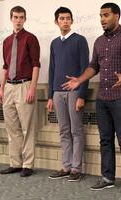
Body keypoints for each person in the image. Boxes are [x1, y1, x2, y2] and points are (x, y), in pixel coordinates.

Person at [62, 3, 121, 195]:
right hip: (103, 98)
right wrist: (80, 80)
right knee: (105, 139)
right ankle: (107, 177)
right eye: (100, 16)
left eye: (106, 15)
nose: (102, 19)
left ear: (117, 16)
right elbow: (93, 66)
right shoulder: (98, 41)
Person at [47, 7, 89, 182]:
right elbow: (52, 69)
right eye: (62, 18)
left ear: (72, 21)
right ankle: (65, 166)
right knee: (64, 131)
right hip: (57, 93)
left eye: (68, 18)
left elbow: (86, 68)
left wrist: (82, 95)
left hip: (74, 92)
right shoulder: (54, 43)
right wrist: (50, 96)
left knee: (76, 131)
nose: (65, 21)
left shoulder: (80, 40)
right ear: (56, 22)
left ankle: (76, 168)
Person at [0, 6, 40, 177]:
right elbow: (6, 67)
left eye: (21, 17)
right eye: (15, 17)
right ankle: (15, 163)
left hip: (25, 85)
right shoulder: (6, 41)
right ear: (11, 18)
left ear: (25, 19)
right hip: (8, 87)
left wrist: (32, 88)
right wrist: (1, 89)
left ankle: (28, 164)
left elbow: (36, 65)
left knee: (27, 128)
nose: (18, 20)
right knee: (12, 127)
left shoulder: (31, 39)